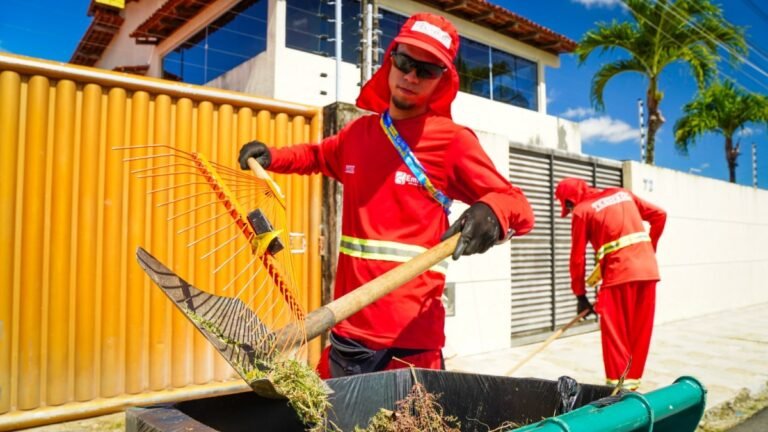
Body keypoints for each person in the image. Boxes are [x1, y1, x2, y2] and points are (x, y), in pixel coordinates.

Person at [239, 12, 534, 378]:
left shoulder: (452, 141)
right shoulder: (358, 134)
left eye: (427, 70)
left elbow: (518, 205)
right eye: (405, 62)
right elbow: (316, 155)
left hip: (412, 342)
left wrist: (492, 212)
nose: (411, 76)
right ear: (390, 59)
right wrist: (272, 156)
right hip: (348, 329)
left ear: (442, 79)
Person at [555, 177, 666, 390]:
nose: (569, 211)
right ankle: (631, 387)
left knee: (616, 337)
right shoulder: (623, 193)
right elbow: (660, 215)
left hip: (618, 275)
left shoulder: (582, 211)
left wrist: (580, 295)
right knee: (639, 334)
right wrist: (648, 251)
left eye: (567, 207)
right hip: (648, 272)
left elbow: (577, 258)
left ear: (569, 201)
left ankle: (617, 394)